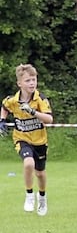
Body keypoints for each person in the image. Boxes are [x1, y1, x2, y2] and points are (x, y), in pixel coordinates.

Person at [0, 64, 54, 216]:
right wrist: (2, 120)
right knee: (28, 163)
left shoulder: (40, 99)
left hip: (40, 141)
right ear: (19, 83)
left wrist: (33, 112)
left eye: (34, 79)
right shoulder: (13, 100)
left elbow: (49, 119)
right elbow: (4, 107)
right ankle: (29, 195)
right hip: (22, 138)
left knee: (40, 174)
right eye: (28, 80)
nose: (32, 83)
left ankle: (42, 197)